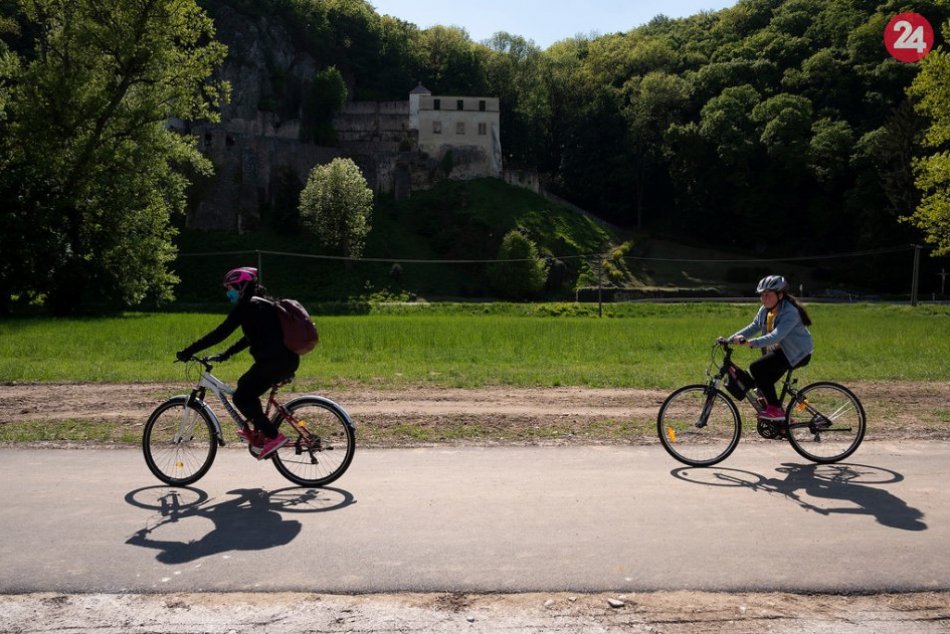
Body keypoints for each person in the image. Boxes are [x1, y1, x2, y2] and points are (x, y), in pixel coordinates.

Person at [176, 267, 298, 459]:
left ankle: (273, 436)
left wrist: (188, 351)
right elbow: (249, 338)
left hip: (275, 362)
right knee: (245, 387)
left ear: (241, 286)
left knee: (241, 397)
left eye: (230, 287)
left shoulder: (247, 307)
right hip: (283, 360)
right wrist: (226, 354)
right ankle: (260, 431)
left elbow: (220, 333)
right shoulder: (259, 306)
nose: (228, 292)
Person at [727, 275, 814, 422]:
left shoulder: (790, 312)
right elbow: (754, 326)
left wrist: (750, 343)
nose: (764, 298)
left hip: (798, 353)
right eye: (762, 294)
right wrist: (729, 339)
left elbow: (776, 336)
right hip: (783, 351)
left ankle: (776, 412)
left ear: (780, 295)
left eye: (768, 294)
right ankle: (781, 422)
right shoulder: (765, 310)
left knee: (756, 368)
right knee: (761, 384)